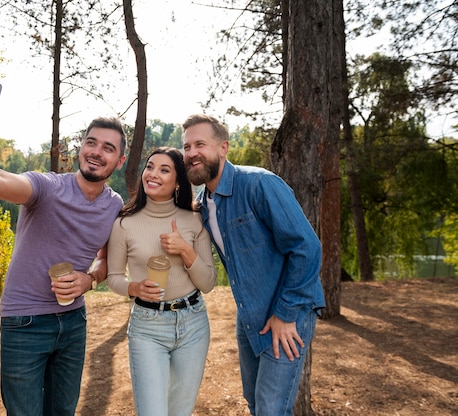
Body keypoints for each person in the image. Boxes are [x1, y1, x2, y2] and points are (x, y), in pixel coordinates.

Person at [0, 79, 127, 415]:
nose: (96, 151)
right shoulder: (46, 187)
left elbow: (107, 262)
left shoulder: (114, 205)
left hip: (73, 322)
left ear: (120, 161)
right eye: (91, 142)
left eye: (108, 148)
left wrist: (89, 281)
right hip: (25, 323)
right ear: (80, 148)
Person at [181, 114, 326, 416]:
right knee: (254, 401)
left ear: (223, 148)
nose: (192, 152)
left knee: (271, 408)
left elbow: (307, 248)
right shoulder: (203, 204)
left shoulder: (259, 184)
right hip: (250, 313)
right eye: (186, 147)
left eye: (200, 144)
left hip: (288, 312)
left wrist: (286, 314)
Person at [106, 147, 217, 416]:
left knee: (180, 412)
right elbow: (113, 277)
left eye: (164, 170)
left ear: (178, 181)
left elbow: (208, 283)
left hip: (193, 324)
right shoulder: (124, 223)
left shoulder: (193, 220)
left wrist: (185, 250)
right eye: (150, 167)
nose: (153, 174)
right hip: (147, 328)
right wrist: (134, 288)